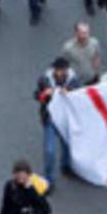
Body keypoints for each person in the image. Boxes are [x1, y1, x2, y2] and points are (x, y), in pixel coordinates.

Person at [35, 57, 80, 187]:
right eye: (58, 70)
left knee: (67, 145)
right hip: (50, 119)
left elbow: (79, 95)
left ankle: (65, 166)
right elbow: (37, 96)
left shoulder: (73, 80)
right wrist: (45, 94)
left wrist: (70, 92)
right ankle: (49, 179)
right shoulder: (44, 80)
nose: (60, 73)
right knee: (49, 150)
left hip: (66, 118)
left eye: (63, 70)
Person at [62, 21, 102, 85]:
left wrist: (97, 60)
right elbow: (65, 63)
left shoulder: (94, 42)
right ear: (76, 33)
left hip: (93, 75)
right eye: (83, 33)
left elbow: (97, 54)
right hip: (78, 80)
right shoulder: (68, 48)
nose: (87, 36)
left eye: (88, 32)